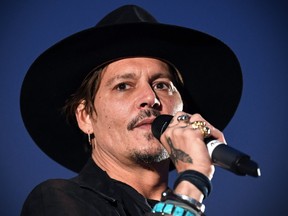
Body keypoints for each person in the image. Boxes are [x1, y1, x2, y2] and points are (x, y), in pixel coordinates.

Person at [20, 4, 242, 216]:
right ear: (85, 116)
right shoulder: (56, 199)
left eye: (162, 85)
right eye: (123, 86)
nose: (150, 98)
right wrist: (191, 185)